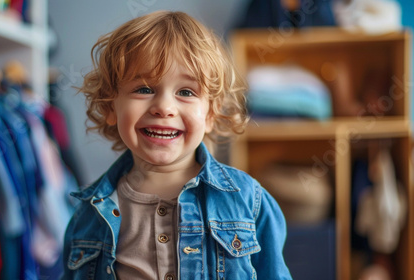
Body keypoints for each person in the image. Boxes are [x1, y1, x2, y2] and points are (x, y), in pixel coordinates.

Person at [62, 10, 292, 280]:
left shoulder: (249, 201)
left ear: (210, 114)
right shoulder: (88, 215)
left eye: (185, 92)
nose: (164, 108)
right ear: (110, 106)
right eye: (144, 89)